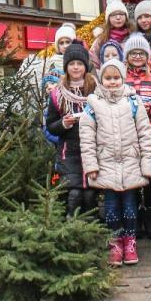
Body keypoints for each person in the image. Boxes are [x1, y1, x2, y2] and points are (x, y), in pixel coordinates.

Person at [79, 58, 151, 267]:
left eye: (116, 78)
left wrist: (148, 164)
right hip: (106, 164)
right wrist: (91, 165)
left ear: (123, 78)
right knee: (111, 206)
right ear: (101, 80)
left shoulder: (133, 102)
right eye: (108, 78)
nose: (112, 82)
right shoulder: (93, 104)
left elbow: (145, 134)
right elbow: (87, 138)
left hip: (131, 163)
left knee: (130, 204)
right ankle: (115, 242)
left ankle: (130, 241)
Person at [46, 39, 97, 218]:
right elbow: (50, 125)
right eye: (72, 64)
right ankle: (71, 225)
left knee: (90, 194)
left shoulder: (95, 90)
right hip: (69, 152)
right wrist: (63, 124)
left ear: (85, 66)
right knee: (74, 193)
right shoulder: (57, 94)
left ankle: (94, 228)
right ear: (66, 67)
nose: (76, 67)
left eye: (79, 64)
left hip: (93, 150)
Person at [123, 33, 151, 239]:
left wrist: (147, 106)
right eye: (133, 53)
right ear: (127, 56)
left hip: (150, 135)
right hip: (128, 136)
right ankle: (136, 218)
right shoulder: (121, 76)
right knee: (133, 178)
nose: (138, 56)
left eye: (141, 53)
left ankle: (150, 217)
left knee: (149, 179)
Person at [89, 0, 132, 71]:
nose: (118, 17)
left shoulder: (132, 37)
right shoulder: (101, 39)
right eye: (114, 15)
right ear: (108, 18)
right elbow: (93, 61)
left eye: (121, 14)